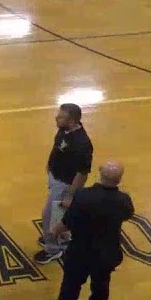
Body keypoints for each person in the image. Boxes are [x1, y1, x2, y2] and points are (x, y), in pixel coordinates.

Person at [29, 161, 134, 300]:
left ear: (100, 172)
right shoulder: (124, 200)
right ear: (119, 179)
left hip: (82, 251)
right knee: (101, 283)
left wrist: (54, 231)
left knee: (71, 286)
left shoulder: (84, 196)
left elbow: (66, 222)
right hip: (108, 251)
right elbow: (128, 214)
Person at [36, 103, 94, 264]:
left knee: (49, 216)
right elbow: (57, 147)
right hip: (55, 177)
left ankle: (52, 249)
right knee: (57, 214)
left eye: (61, 116)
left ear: (72, 120)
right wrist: (50, 164)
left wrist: (70, 195)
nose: (56, 118)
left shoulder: (82, 144)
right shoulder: (64, 129)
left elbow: (82, 173)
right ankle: (62, 236)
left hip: (65, 184)